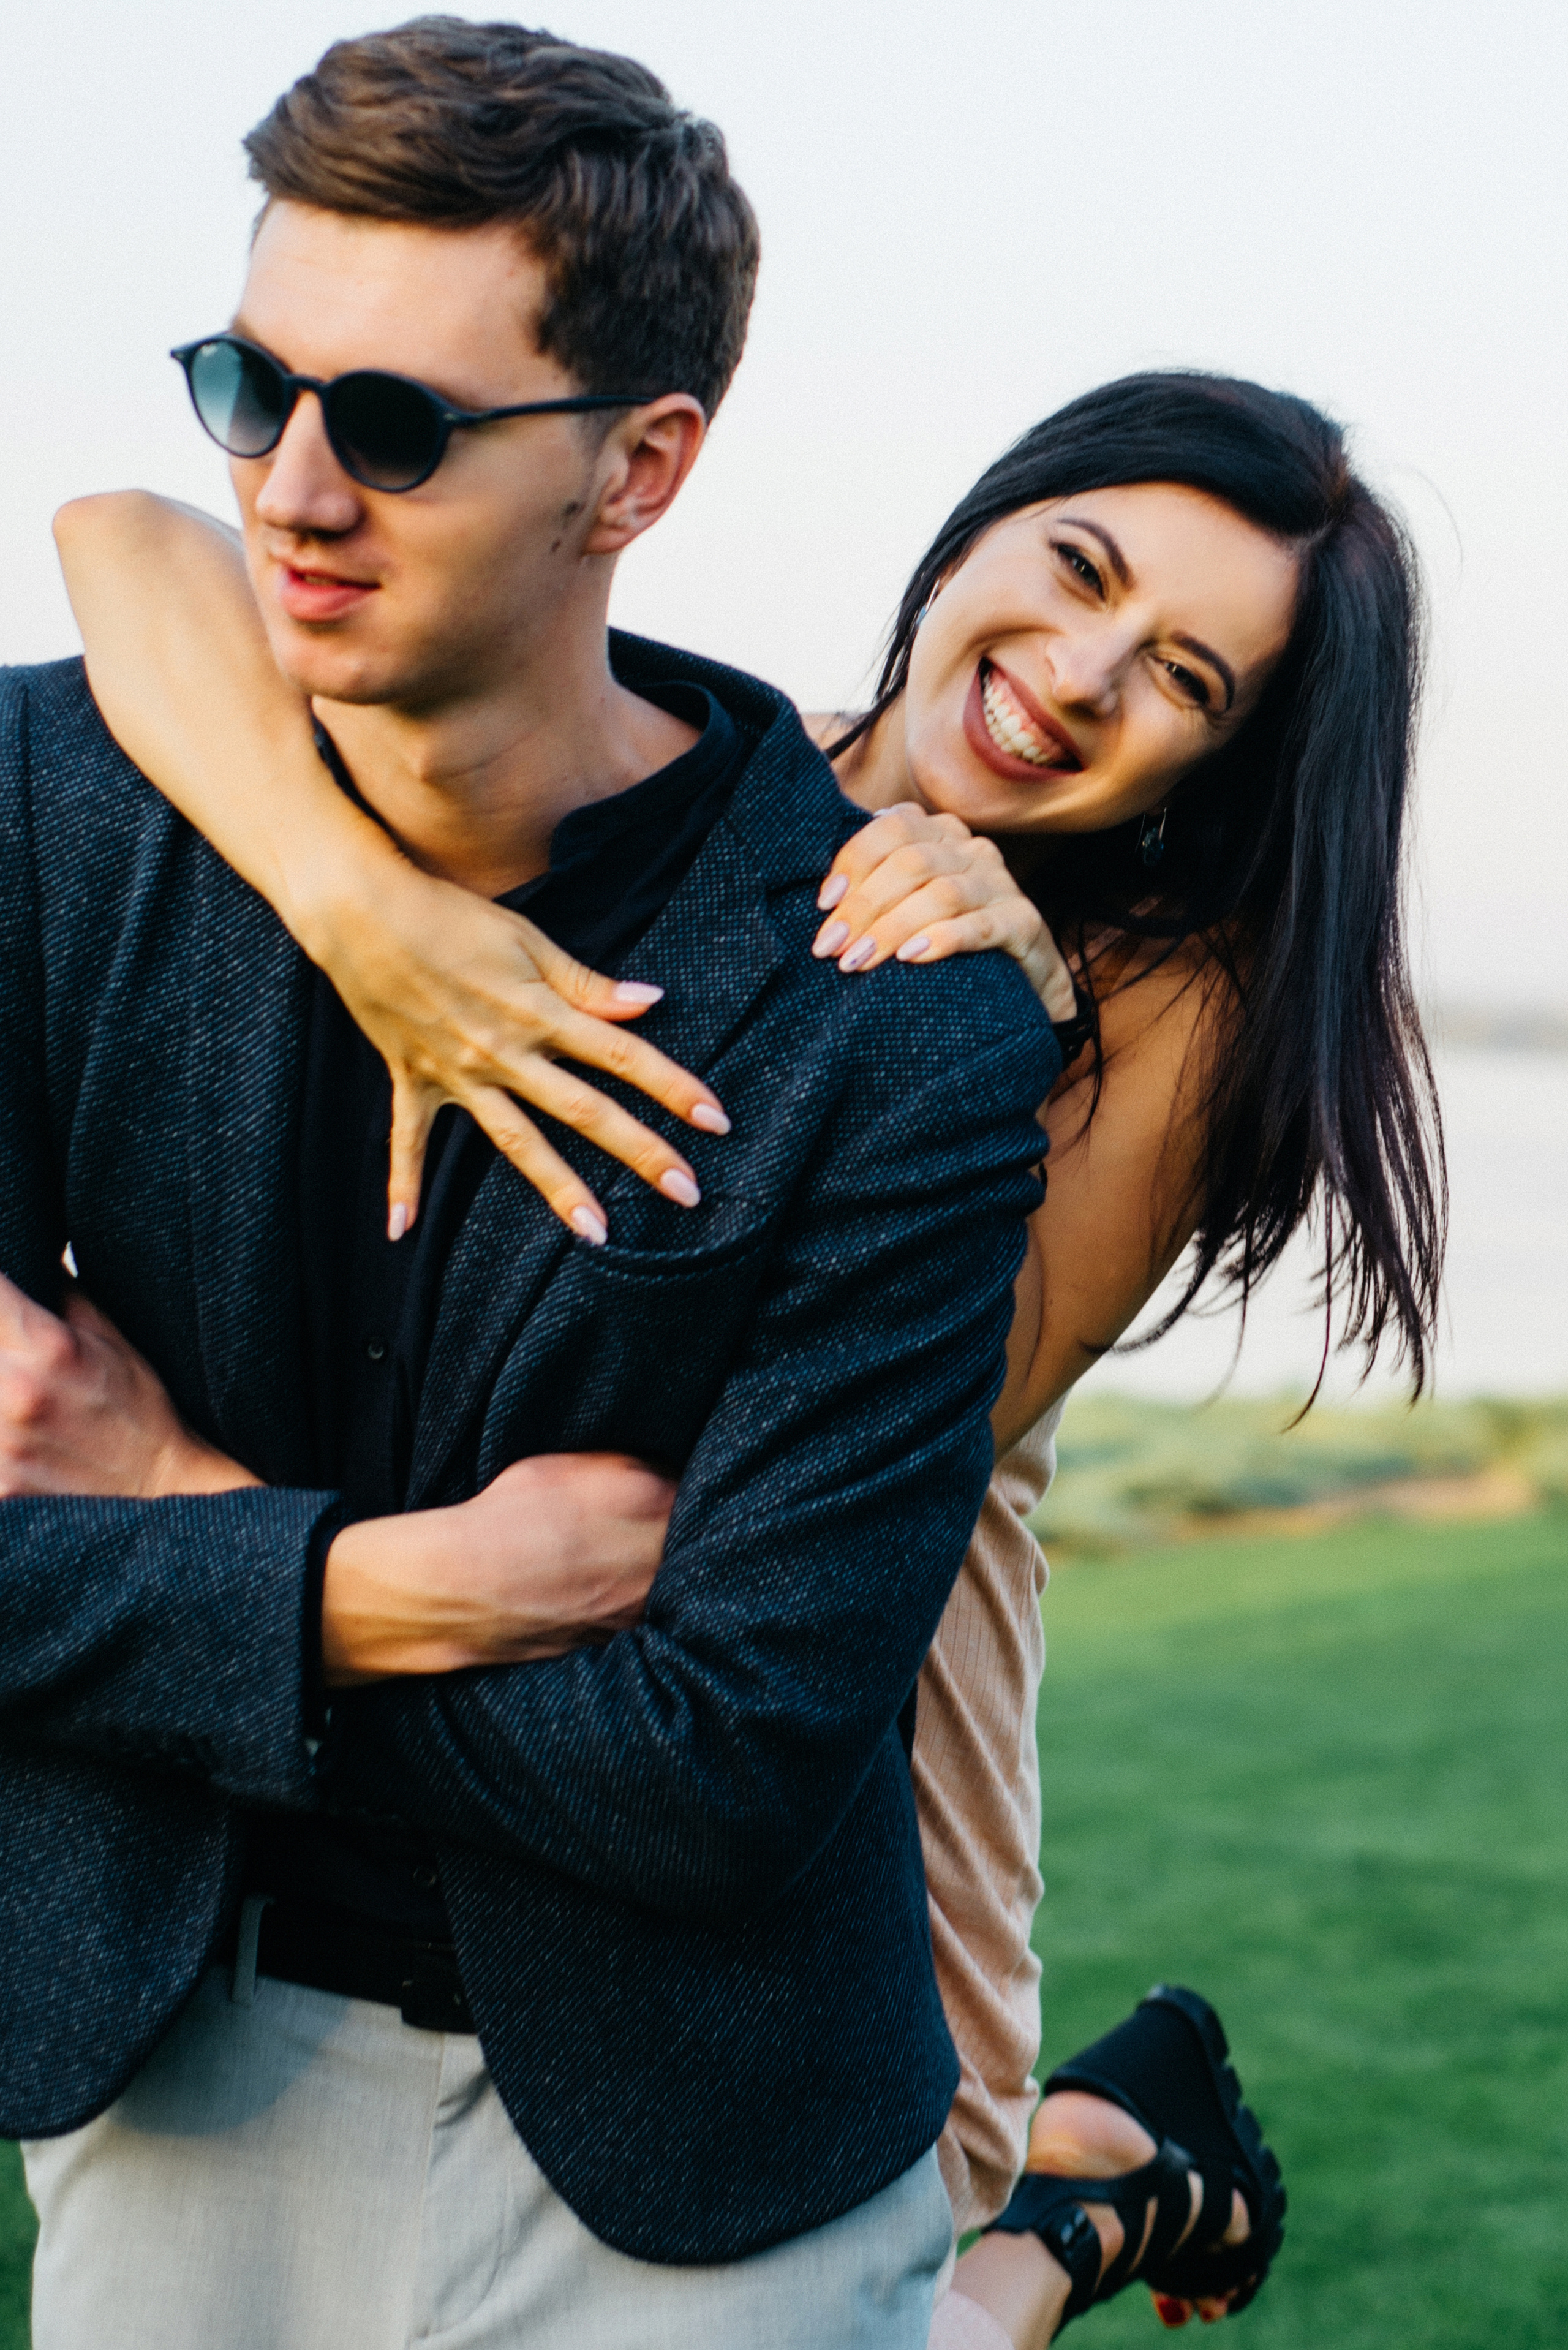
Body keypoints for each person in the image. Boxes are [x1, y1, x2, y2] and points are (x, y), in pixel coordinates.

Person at [39, 339, 1443, 2350]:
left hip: (855, 1676)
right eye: (1078, 567)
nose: (1080, 672)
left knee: (891, 2253)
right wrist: (365, 910)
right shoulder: (713, 764)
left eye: (1187, 681)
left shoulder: (1161, 1003)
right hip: (502, 1605)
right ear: (980, 531)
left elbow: (790, 1461)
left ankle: (1089, 2195)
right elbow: (125, 543)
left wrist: (185, 1500)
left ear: (1221, 766)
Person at [0, 21, 1067, 2349]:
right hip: (165, 2085)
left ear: (637, 468)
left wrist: (163, 1518)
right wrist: (373, 1591)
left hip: (708, 2171)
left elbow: (725, 1759)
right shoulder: (43, 814)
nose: (292, 491)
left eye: (395, 425)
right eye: (246, 387)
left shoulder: (900, 1011)